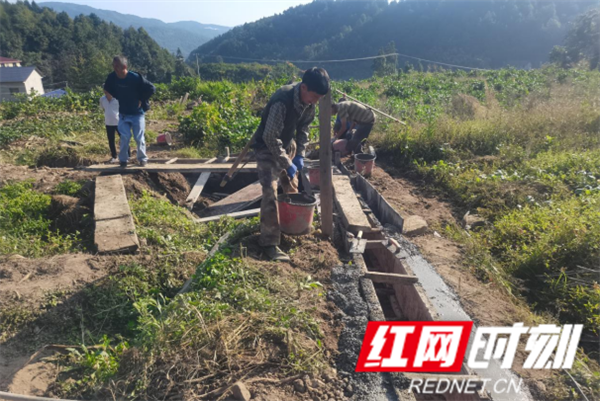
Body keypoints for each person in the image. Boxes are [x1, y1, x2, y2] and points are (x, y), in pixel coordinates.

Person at [252, 67, 330, 261]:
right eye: (314, 97)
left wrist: (300, 154)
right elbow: (270, 137)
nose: (315, 102)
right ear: (303, 87)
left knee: (291, 185)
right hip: (267, 149)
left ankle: (292, 225)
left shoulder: (309, 101)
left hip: (287, 145)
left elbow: (303, 128)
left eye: (318, 99)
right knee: (270, 192)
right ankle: (269, 242)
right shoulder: (282, 101)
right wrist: (287, 162)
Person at [103, 55, 156, 168]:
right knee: (125, 136)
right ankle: (123, 160)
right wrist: (116, 96)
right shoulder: (112, 77)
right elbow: (107, 87)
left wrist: (142, 99)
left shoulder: (135, 77)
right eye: (114, 66)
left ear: (124, 66)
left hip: (137, 113)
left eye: (117, 66)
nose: (115, 68)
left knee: (138, 137)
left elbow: (151, 88)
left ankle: (142, 159)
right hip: (123, 114)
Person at [99, 91, 130, 163]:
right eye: (105, 91)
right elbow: (103, 108)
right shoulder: (102, 99)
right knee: (111, 140)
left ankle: (128, 155)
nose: (107, 93)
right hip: (108, 122)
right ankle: (114, 156)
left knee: (124, 138)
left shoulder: (117, 99)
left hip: (119, 122)